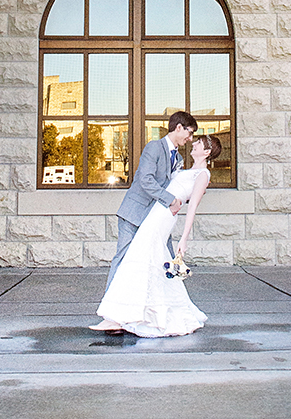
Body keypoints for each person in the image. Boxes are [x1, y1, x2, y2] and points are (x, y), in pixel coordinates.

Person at [90, 134, 222, 338]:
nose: (193, 144)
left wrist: (184, 239)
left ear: (206, 152)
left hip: (163, 219)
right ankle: (127, 314)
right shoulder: (184, 167)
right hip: (155, 214)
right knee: (146, 261)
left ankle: (120, 316)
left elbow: (193, 207)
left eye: (198, 143)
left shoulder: (203, 175)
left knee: (140, 259)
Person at [105, 110, 199, 289]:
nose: (190, 138)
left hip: (157, 218)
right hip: (134, 215)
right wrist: (171, 200)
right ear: (179, 128)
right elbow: (145, 180)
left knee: (168, 260)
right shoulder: (154, 147)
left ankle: (172, 305)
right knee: (123, 258)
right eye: (190, 132)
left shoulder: (178, 158)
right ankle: (109, 305)